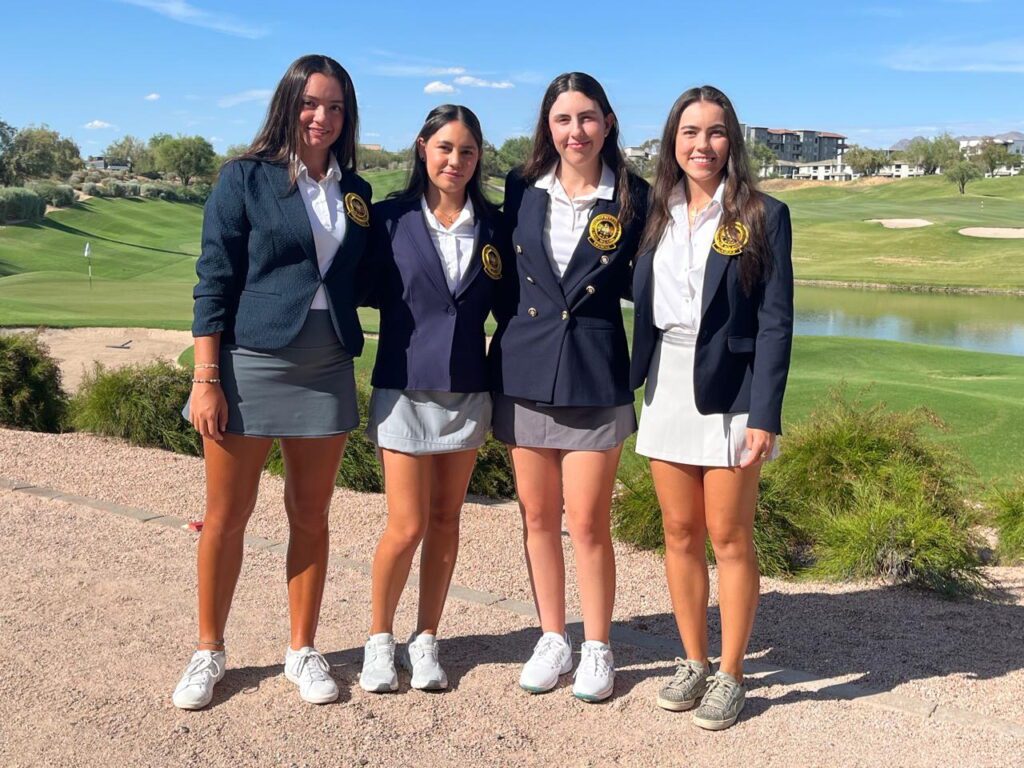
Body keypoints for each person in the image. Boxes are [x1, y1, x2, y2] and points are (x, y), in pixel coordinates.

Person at [172, 54, 373, 709]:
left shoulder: (355, 191)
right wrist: (206, 377)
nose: (322, 117)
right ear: (288, 105)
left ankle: (302, 649)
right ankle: (208, 650)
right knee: (226, 517)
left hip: (327, 363)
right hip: (250, 361)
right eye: (310, 103)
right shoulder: (244, 177)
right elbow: (214, 279)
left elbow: (363, 276)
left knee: (311, 516)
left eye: (335, 106)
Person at [630, 85, 794, 730]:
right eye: (690, 132)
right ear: (673, 139)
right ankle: (693, 661)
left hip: (731, 392)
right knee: (678, 533)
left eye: (716, 132)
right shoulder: (654, 212)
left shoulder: (762, 214)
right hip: (665, 383)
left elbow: (776, 321)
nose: (703, 145)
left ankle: (731, 674)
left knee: (729, 536)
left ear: (733, 141)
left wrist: (765, 413)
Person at [489, 72, 649, 702]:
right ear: (548, 127)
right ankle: (552, 637)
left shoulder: (634, 196)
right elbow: (502, 276)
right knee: (536, 517)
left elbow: (654, 280)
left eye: (587, 117)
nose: (575, 131)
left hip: (594, 372)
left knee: (586, 521)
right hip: (525, 368)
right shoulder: (522, 186)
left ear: (608, 123)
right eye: (563, 119)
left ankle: (598, 646)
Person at [358, 105, 507, 693]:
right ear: (423, 147)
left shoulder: (492, 226)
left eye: (467, 151)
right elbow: (358, 286)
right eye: (445, 147)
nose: (455, 160)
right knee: (406, 523)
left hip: (467, 386)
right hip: (404, 385)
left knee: (446, 520)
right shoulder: (388, 218)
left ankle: (425, 639)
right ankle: (379, 639)